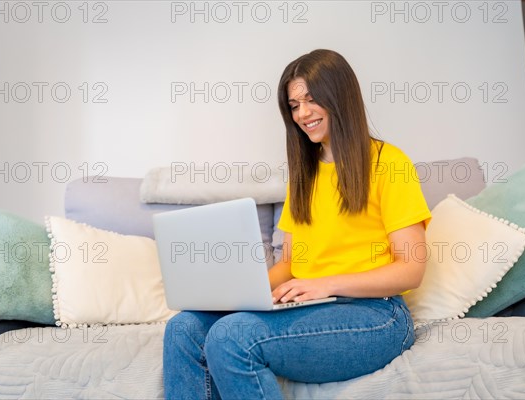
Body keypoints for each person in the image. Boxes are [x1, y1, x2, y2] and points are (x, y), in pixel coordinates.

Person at [163, 49, 432, 400]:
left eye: (311, 99)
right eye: (294, 105)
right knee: (183, 328)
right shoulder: (304, 173)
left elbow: (411, 269)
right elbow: (289, 265)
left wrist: (324, 284)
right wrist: (243, 294)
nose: (302, 113)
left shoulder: (389, 163)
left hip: (377, 316)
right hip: (309, 308)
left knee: (231, 336)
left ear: (340, 96)